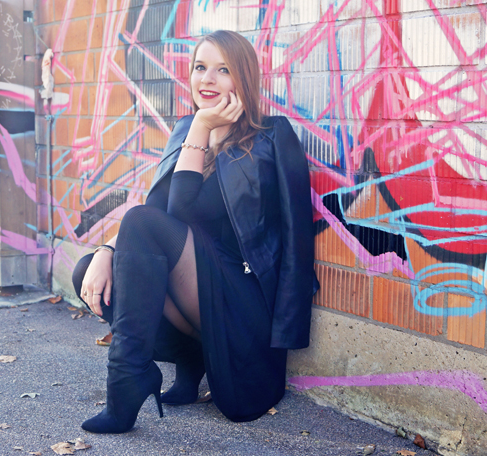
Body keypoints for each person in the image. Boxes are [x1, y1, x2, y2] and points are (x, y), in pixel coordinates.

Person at [71, 29, 318, 434]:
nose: (208, 79)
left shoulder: (272, 135)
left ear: (243, 78)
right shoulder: (185, 129)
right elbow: (159, 213)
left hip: (242, 303)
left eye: (223, 70)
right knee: (89, 271)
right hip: (198, 291)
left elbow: (297, 238)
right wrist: (105, 252)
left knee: (140, 224)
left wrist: (282, 339)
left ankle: (127, 379)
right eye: (201, 67)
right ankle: (186, 360)